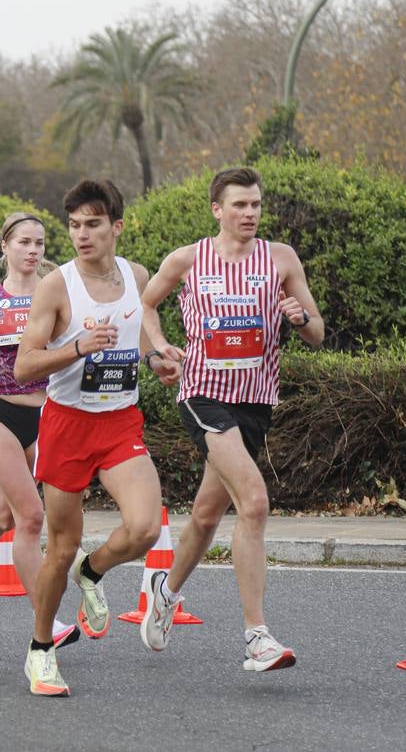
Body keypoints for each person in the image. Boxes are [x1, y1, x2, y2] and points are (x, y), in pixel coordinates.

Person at [139, 166, 323, 672]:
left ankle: (165, 591)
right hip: (203, 394)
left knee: (205, 515)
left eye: (256, 204)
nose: (250, 213)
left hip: (255, 401)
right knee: (254, 502)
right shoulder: (187, 259)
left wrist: (300, 318)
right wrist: (159, 348)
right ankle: (256, 638)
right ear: (217, 210)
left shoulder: (280, 259)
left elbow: (318, 332)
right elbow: (146, 304)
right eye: (240, 205)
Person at [13, 179, 180, 696]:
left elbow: (142, 331)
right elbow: (23, 366)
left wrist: (156, 359)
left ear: (116, 227)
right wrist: (77, 347)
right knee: (60, 548)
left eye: (93, 224)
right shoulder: (56, 286)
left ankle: (95, 569)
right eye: (74, 225)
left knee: (145, 528)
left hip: (119, 421)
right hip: (67, 425)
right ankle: (41, 650)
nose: (81, 235)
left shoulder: (137, 275)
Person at [0, 214, 80, 650]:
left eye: (39, 243)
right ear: (5, 246)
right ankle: (47, 620)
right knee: (31, 516)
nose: (33, 250)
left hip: (47, 416)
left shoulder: (56, 293)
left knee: (4, 516)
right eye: (24, 242)